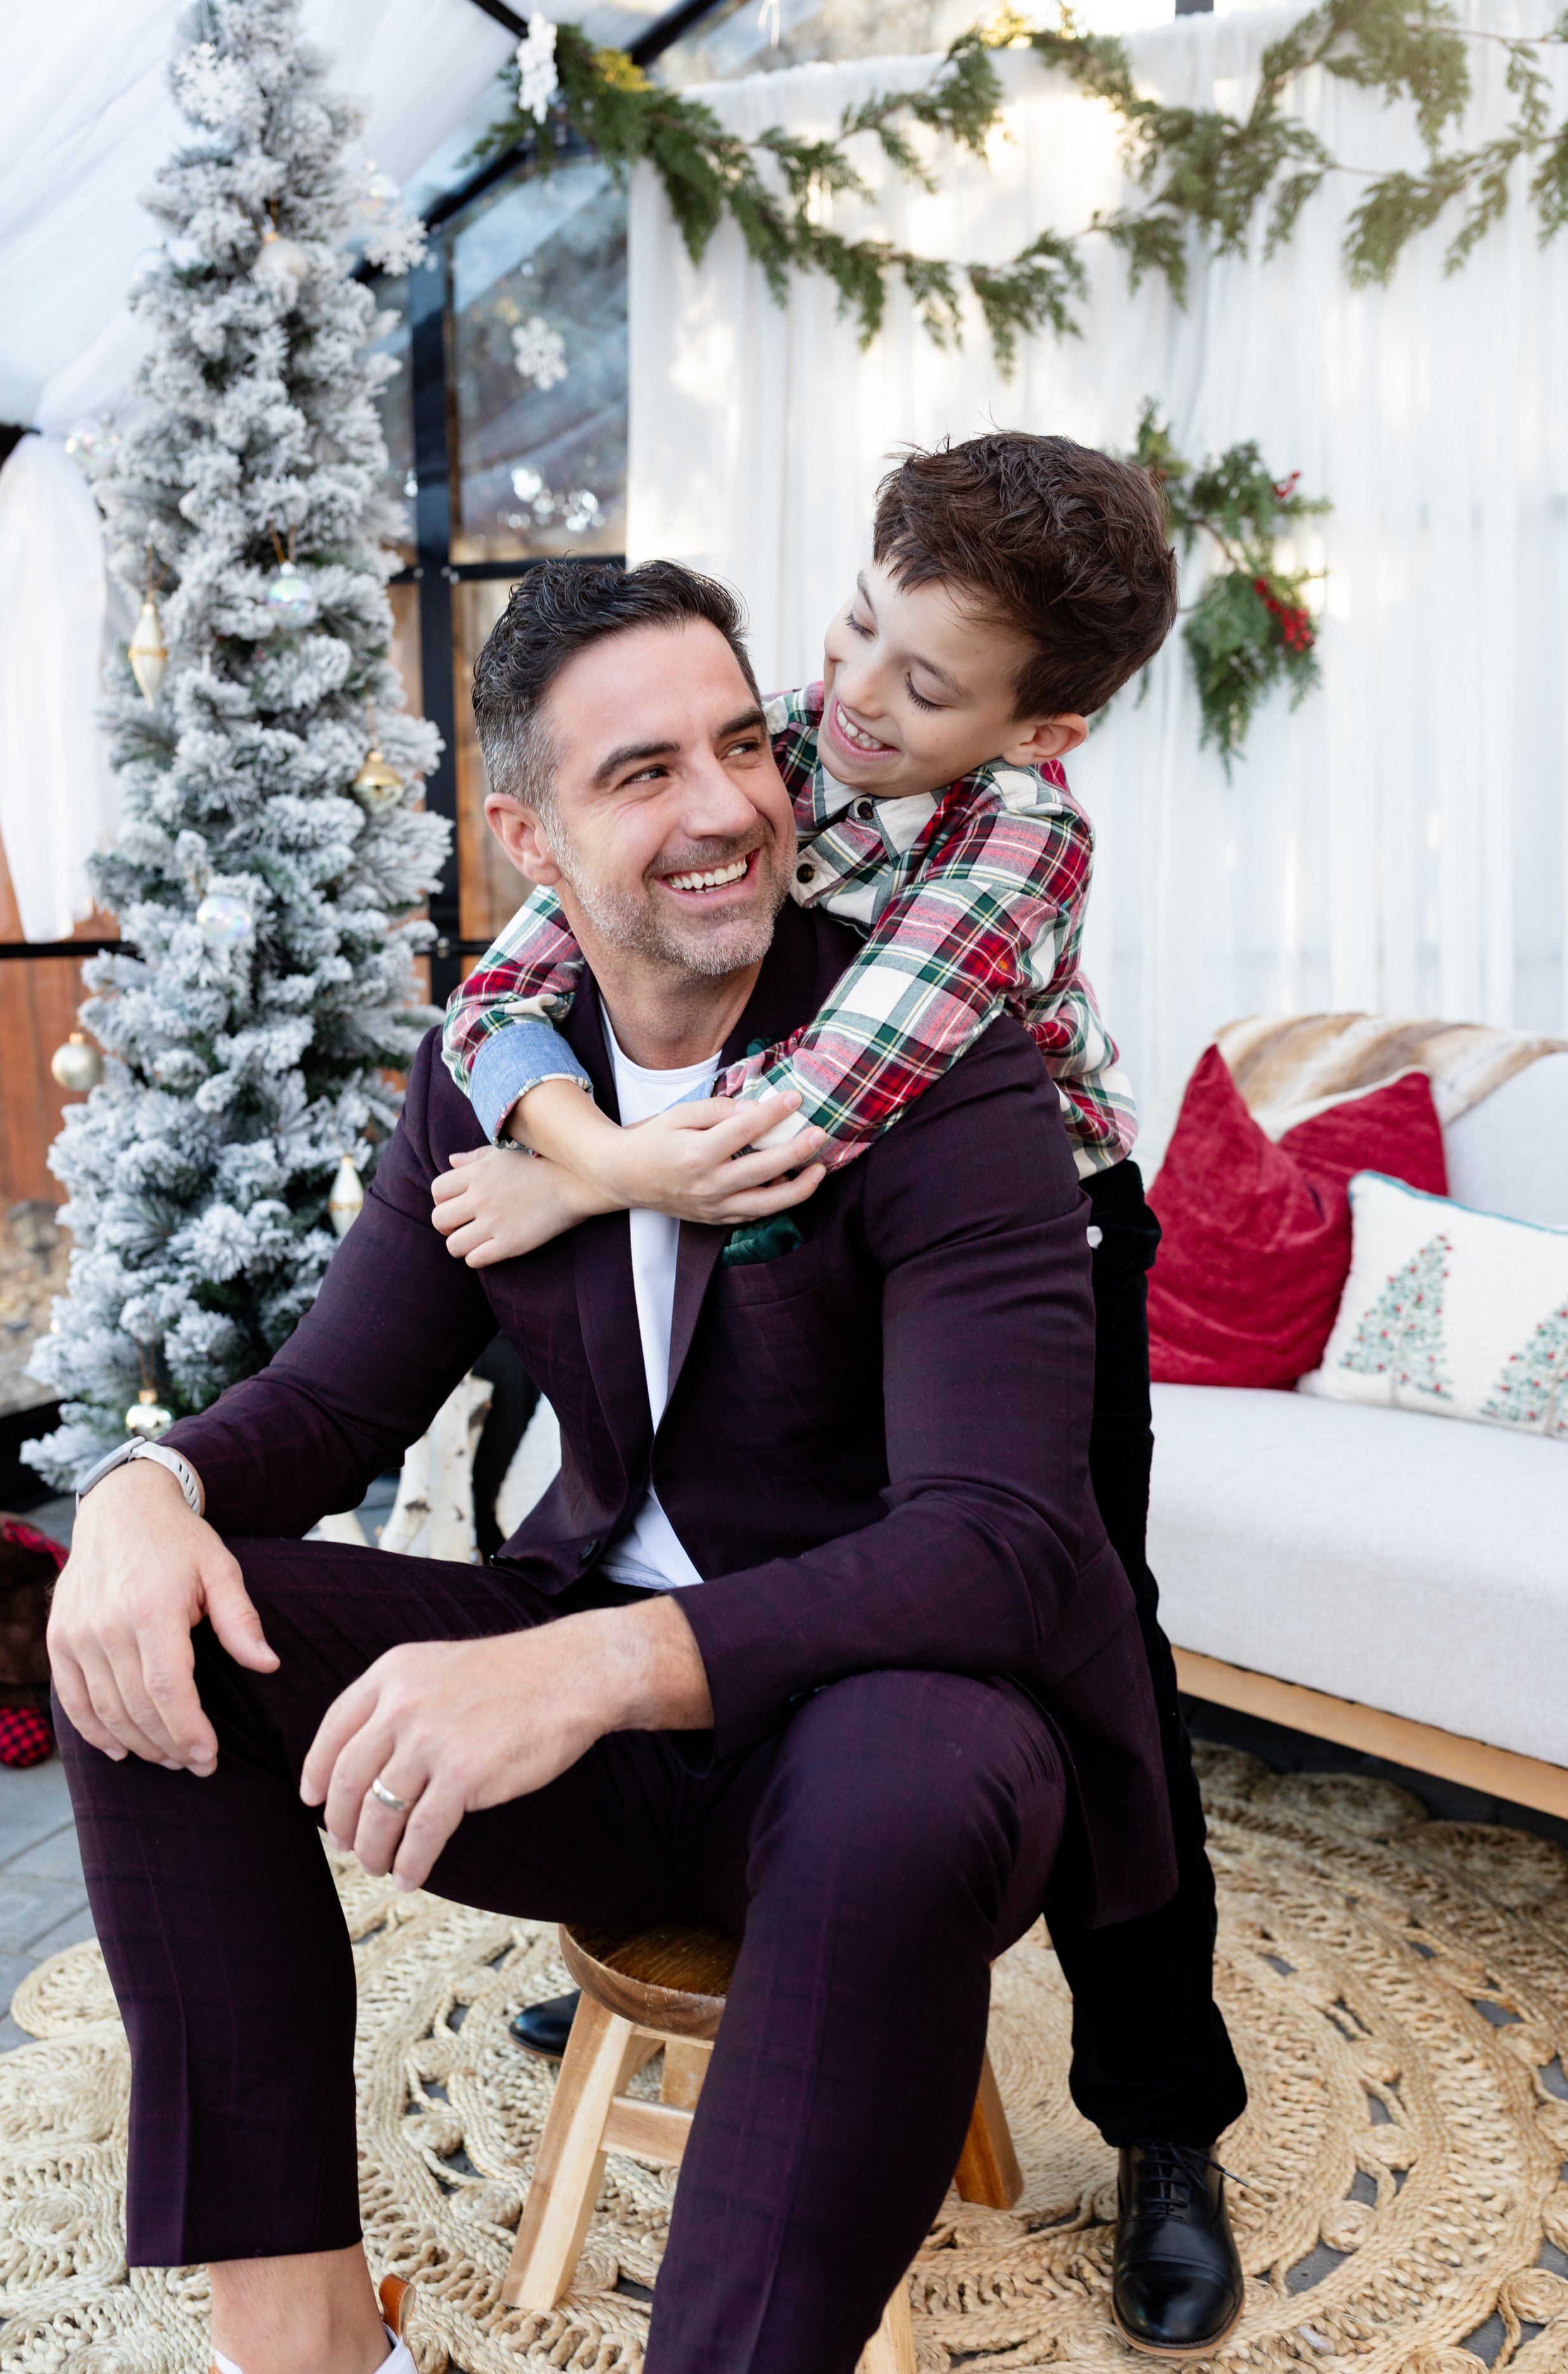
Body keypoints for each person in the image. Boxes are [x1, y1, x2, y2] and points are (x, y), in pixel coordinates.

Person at [51, 560, 1187, 2374]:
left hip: (883, 1717)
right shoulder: (503, 1071)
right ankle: (309, 2341)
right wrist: (139, 1492)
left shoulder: (931, 1061)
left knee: (904, 1773)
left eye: (745, 744)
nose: (731, 804)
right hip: (602, 1742)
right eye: (642, 772)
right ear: (529, 836)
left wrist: (587, 1666)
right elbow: (336, 1405)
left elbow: (1003, 1549)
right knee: (144, 1634)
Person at [433, 441, 1249, 2351]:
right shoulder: (781, 742)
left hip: (1016, 1249)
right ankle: (760, 1906)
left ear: (1042, 726)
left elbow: (815, 1101)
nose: (854, 701)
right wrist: (590, 1148)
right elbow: (498, 995)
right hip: (784, 1233)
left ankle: (1162, 2124)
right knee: (750, 1557)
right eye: (856, 630)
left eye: (924, 686)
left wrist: (572, 1169)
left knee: (1083, 1654)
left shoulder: (1021, 836)